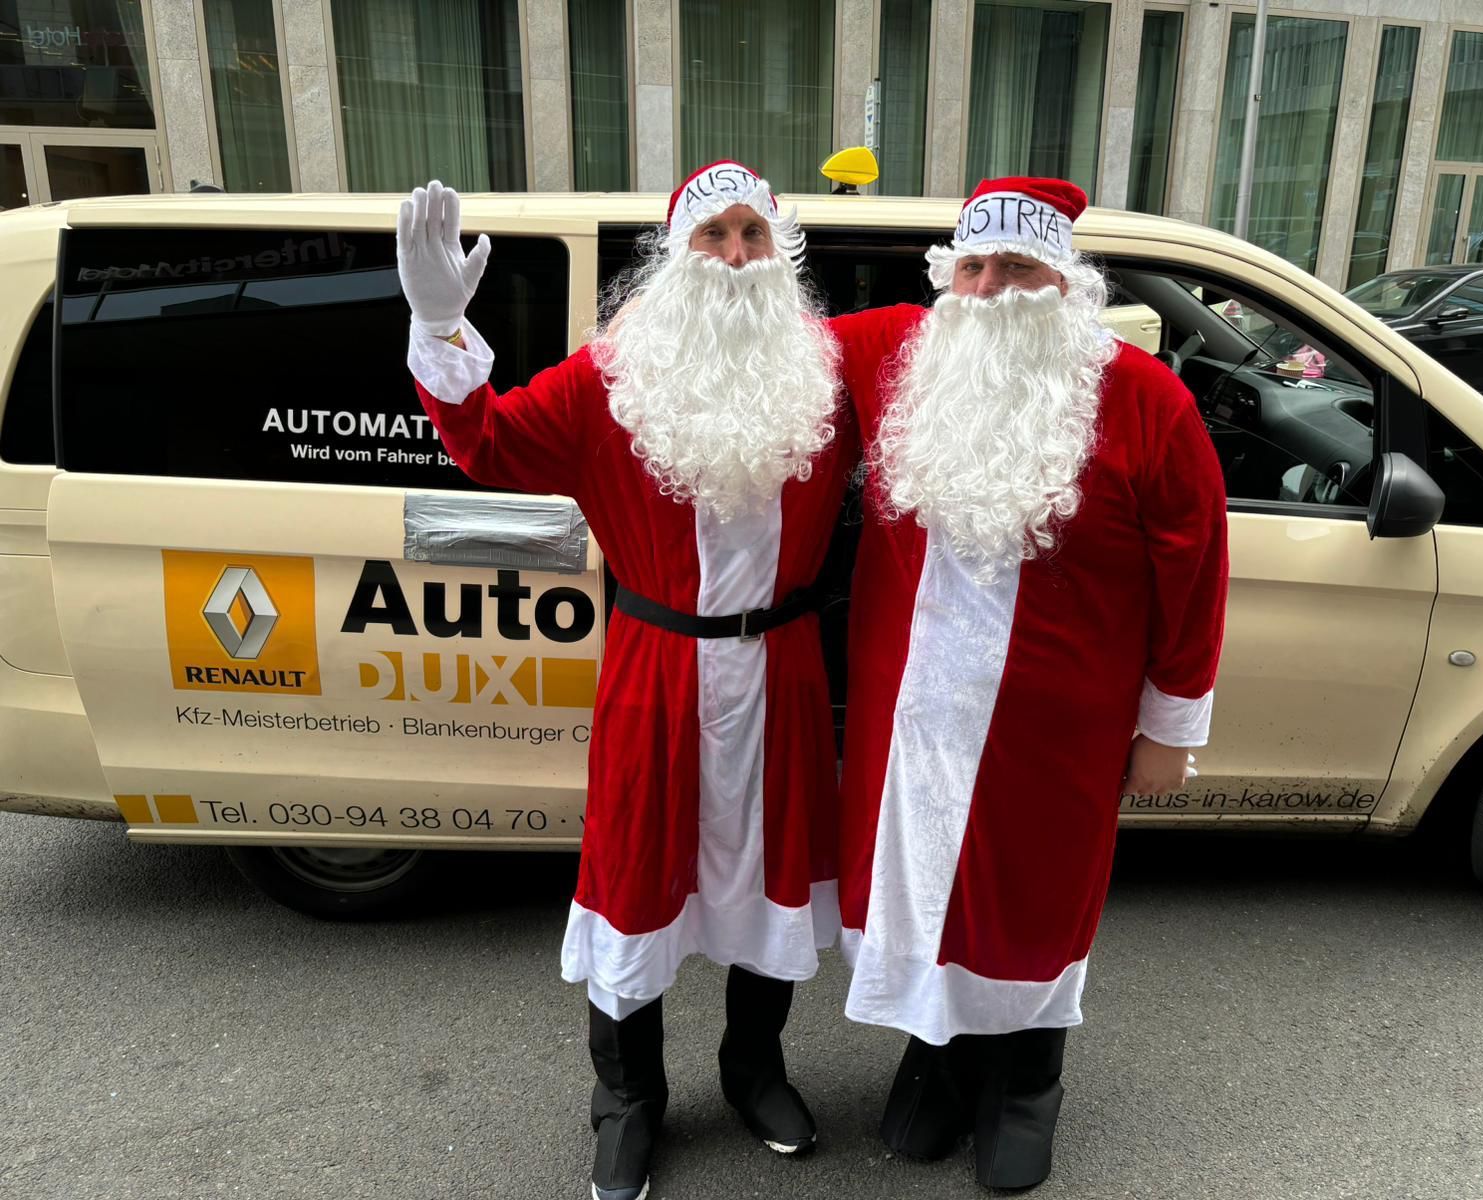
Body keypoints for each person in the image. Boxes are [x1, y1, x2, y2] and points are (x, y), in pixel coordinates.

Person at [397, 163, 851, 1200]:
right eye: (712, 235)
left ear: (778, 251)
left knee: (772, 878)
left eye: (751, 233)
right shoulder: (612, 375)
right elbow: (488, 443)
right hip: (658, 672)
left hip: (781, 674)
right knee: (635, 884)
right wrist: (440, 327)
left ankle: (754, 1071)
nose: (734, 255)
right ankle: (628, 1101)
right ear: (674, 253)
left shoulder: (825, 370)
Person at [828, 177, 1229, 1189]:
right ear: (947, 276)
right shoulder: (900, 355)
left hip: (1054, 732)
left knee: (1030, 902)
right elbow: (745, 358)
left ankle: (1025, 1081)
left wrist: (1170, 728)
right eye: (973, 265)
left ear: (1064, 281)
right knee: (924, 889)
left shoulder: (1145, 397)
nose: (990, 288)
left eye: (1017, 267)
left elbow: (1194, 573)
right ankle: (939, 1053)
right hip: (913, 720)